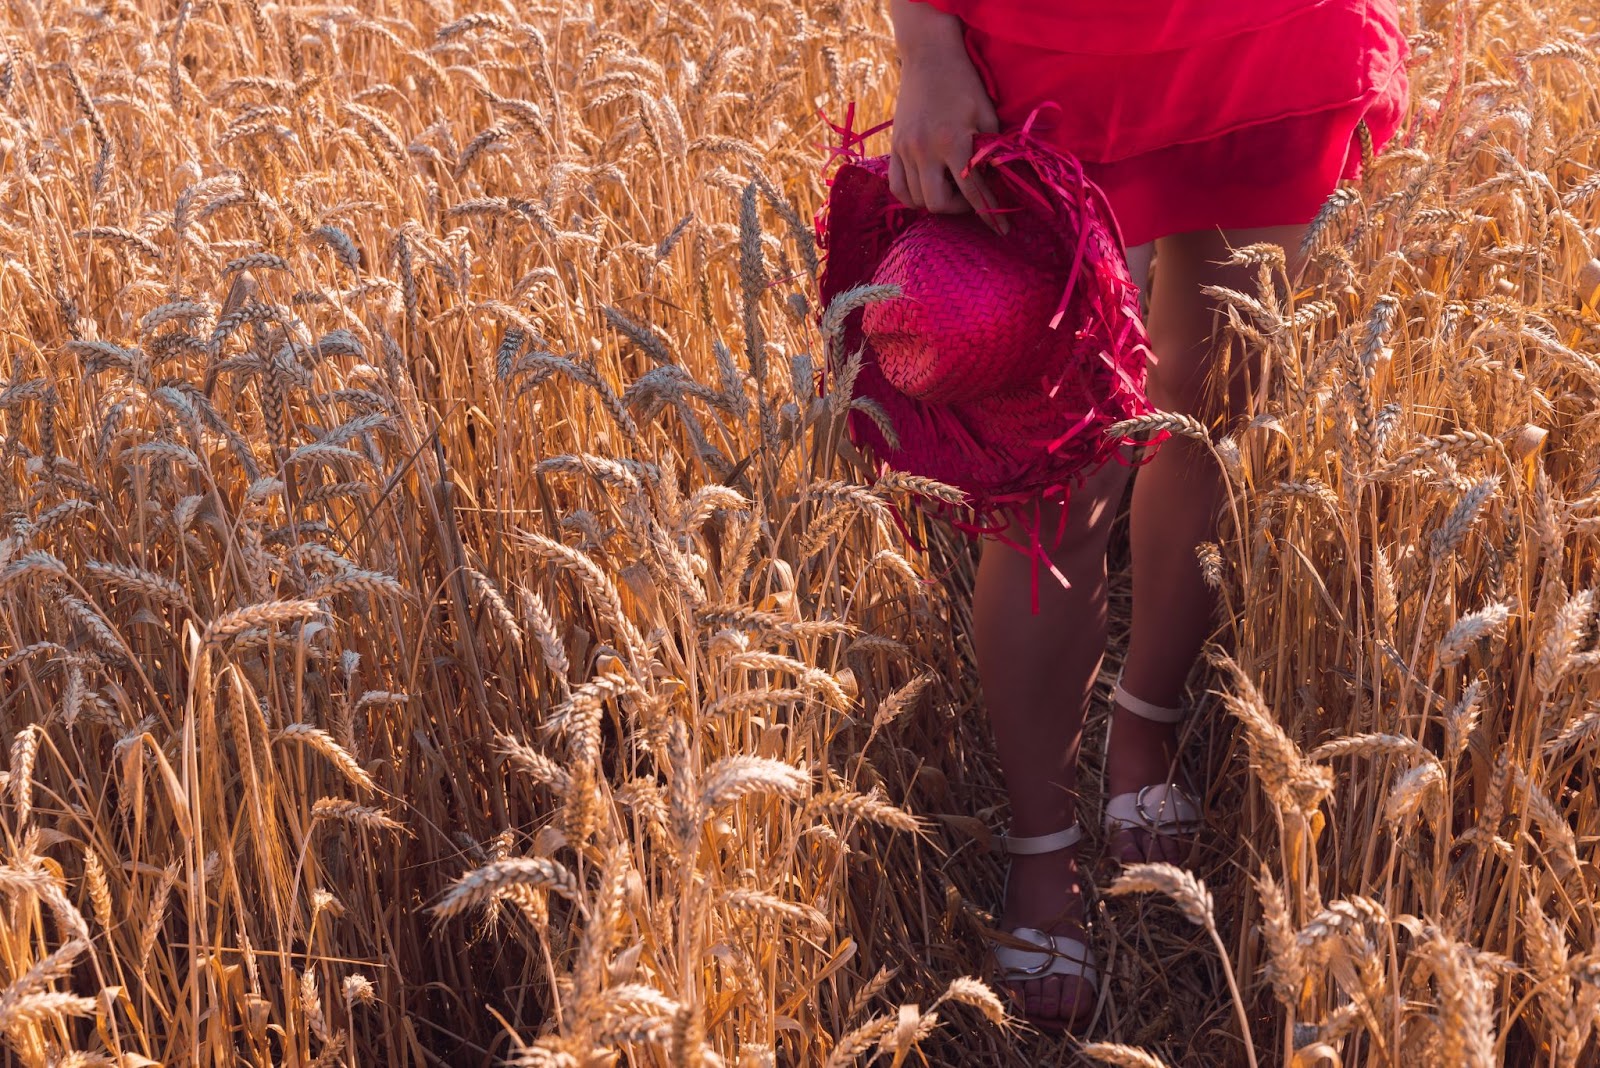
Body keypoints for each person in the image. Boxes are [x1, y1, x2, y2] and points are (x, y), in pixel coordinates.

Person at [884, 0, 1407, 1031]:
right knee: (1055, 477)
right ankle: (1042, 850)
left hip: (1273, 42)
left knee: (1209, 415)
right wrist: (926, 43)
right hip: (1049, 47)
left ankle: (1144, 725)